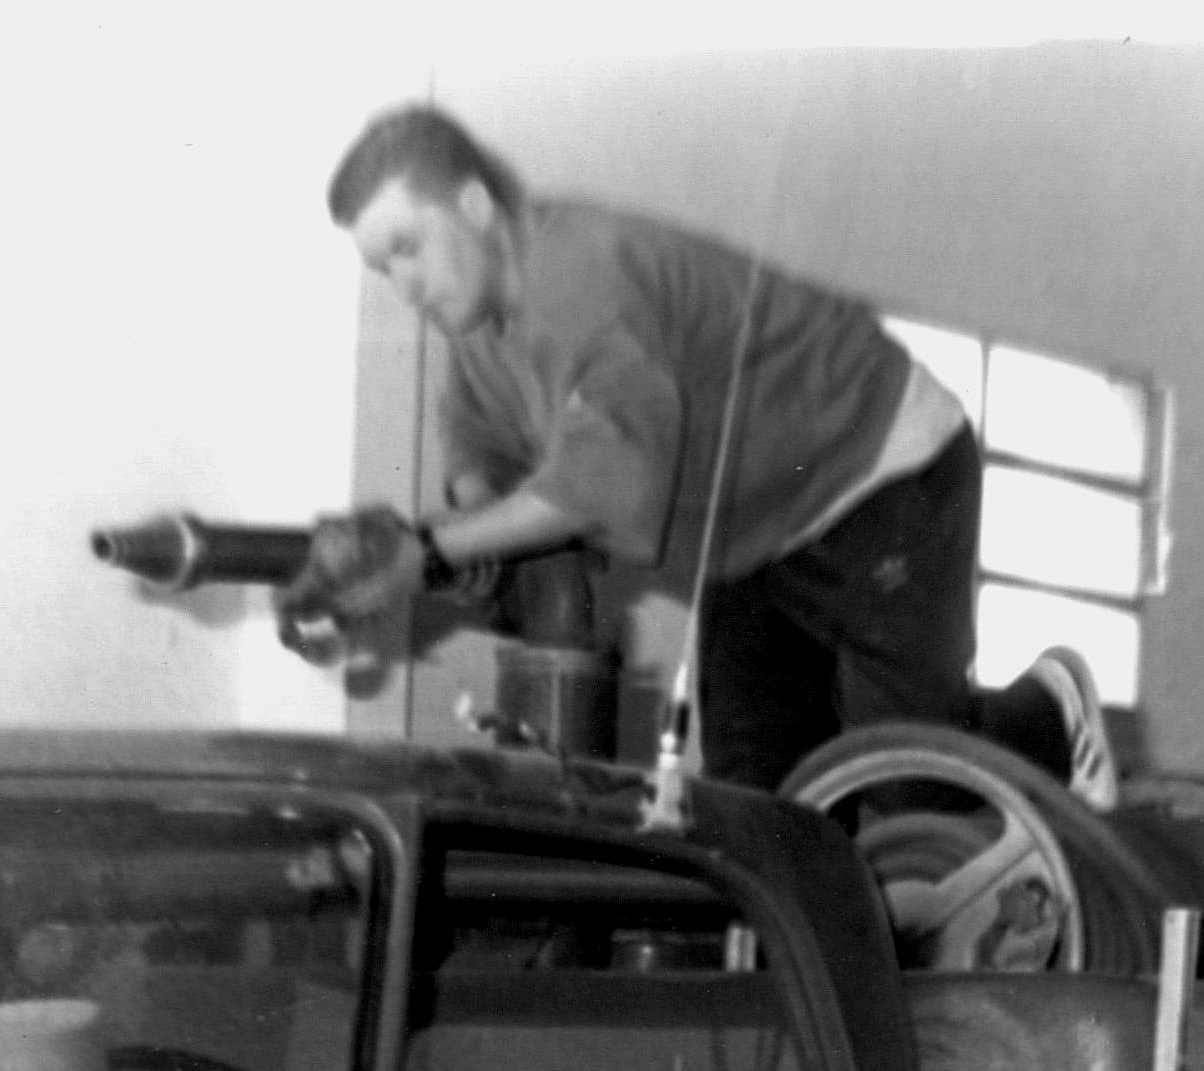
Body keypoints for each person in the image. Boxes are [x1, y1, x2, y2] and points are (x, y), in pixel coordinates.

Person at [311, 104, 1123, 801]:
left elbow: (597, 487)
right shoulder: (484, 331)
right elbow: (475, 437)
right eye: (383, 267)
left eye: (408, 246)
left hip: (875, 472)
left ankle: (1047, 716)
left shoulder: (579, 273)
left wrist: (427, 549)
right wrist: (473, 515)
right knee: (755, 801)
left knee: (907, 780)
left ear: (475, 206)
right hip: (753, 539)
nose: (403, 285)